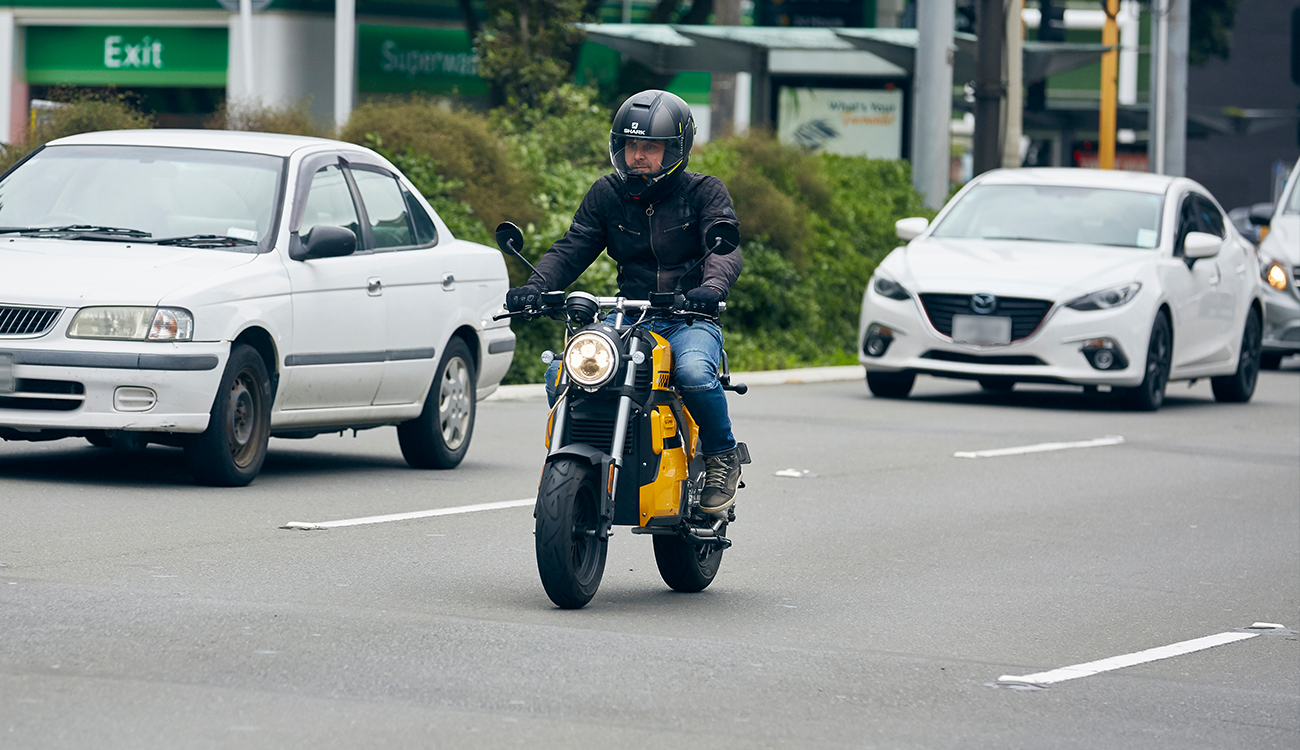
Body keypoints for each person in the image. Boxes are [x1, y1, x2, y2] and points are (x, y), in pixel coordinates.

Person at [505, 89, 744, 515]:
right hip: (630, 316)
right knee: (562, 373)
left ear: (676, 149)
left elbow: (725, 249)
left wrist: (712, 289)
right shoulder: (607, 194)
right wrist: (535, 287)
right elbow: (573, 246)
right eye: (632, 145)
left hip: (689, 317)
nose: (638, 156)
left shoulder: (705, 192)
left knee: (691, 372)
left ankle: (722, 456)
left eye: (650, 147)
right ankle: (581, 451)